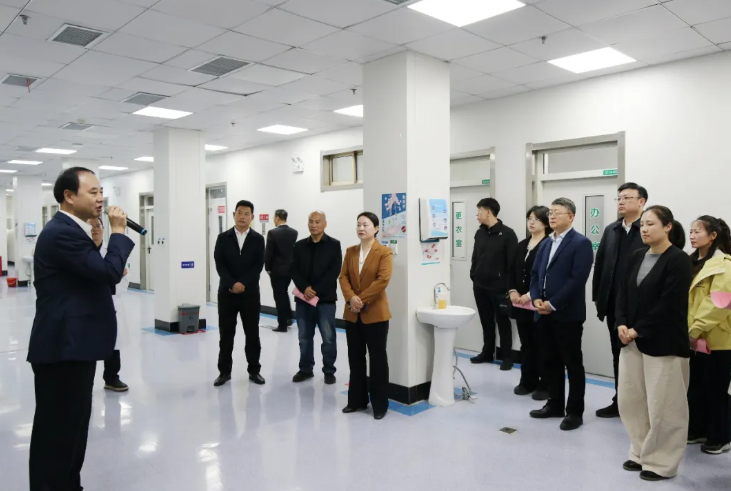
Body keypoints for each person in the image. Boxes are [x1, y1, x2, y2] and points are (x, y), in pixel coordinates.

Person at [28, 167, 133, 491]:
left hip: (75, 346)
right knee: (57, 437)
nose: (101, 198)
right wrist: (118, 233)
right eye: (93, 192)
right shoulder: (62, 232)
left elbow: (87, 278)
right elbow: (108, 274)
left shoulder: (73, 231)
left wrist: (98, 247)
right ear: (69, 196)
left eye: (101, 191)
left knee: (72, 431)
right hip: (63, 349)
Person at [615, 205, 692, 481]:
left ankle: (661, 462)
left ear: (668, 227)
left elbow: (670, 304)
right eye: (643, 224)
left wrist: (638, 329)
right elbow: (623, 293)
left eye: (651, 224)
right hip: (631, 341)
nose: (645, 229)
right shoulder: (637, 255)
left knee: (665, 405)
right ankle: (640, 451)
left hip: (664, 343)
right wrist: (621, 322)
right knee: (631, 400)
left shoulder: (678, 260)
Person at [529, 198, 593, 431]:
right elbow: (535, 274)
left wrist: (553, 304)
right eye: (551, 213)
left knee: (572, 364)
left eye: (557, 212)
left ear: (571, 216)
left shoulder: (581, 243)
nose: (552, 216)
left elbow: (577, 280)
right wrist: (536, 297)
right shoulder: (546, 242)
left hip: (567, 314)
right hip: (542, 313)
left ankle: (574, 412)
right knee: (550, 361)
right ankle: (554, 404)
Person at [593, 183, 648, 418]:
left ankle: (643, 407)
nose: (621, 202)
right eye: (619, 198)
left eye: (627, 198)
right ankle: (620, 402)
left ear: (641, 202)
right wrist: (598, 298)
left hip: (640, 308)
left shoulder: (647, 229)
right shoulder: (612, 230)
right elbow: (600, 263)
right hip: (614, 306)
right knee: (619, 355)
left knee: (642, 359)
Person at [339, 212, 393, 420]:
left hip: (375, 314)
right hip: (352, 315)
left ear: (376, 228)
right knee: (355, 358)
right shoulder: (351, 251)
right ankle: (357, 401)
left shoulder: (384, 252)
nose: (361, 228)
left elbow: (382, 280)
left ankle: (380, 405)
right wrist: (351, 298)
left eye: (366, 225)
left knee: (378, 360)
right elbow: (343, 277)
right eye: (359, 225)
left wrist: (359, 300)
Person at [687, 215, 731, 455]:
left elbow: (720, 303)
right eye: (691, 231)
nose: (692, 235)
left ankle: (721, 436)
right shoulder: (690, 262)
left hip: (717, 338)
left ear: (713, 236)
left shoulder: (724, 264)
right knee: (695, 387)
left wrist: (695, 329)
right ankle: (698, 429)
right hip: (692, 338)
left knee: (716, 389)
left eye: (698, 231)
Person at [213, 200, 266, 387]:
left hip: (250, 294)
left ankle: (254, 371)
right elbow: (220, 264)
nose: (242, 217)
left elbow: (258, 266)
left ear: (252, 217)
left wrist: (243, 284)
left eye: (246, 214)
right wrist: (232, 284)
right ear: (233, 214)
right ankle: (224, 372)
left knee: (252, 334)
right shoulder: (223, 238)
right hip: (227, 294)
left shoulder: (258, 239)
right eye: (239, 213)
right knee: (226, 334)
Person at [290, 211, 342, 384]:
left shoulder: (334, 245)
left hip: (325, 300)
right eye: (311, 221)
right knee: (304, 337)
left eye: (318, 222)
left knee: (328, 338)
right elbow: (294, 269)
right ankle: (305, 369)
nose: (314, 225)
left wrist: (315, 290)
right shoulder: (299, 246)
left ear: (325, 224)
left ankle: (329, 370)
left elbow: (334, 271)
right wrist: (305, 288)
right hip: (303, 300)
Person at [508, 205, 551, 400]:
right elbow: (511, 270)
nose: (532, 222)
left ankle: (545, 383)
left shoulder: (549, 244)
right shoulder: (522, 244)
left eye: (537, 219)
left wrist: (529, 294)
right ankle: (527, 380)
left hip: (539, 303)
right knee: (526, 344)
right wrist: (512, 290)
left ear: (546, 223)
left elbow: (546, 275)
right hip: (519, 303)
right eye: (529, 219)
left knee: (542, 343)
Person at [470, 198, 518, 369]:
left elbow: (512, 263)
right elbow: (475, 257)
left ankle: (507, 356)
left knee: (503, 321)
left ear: (488, 212)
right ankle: (487, 352)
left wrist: (509, 287)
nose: (477, 215)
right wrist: (473, 274)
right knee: (486, 321)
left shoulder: (507, 234)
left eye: (479, 211)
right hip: (480, 285)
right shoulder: (480, 233)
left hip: (499, 287)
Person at [90, 217, 130, 392]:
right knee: (88, 345)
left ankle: (112, 378)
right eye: (91, 226)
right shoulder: (82, 252)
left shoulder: (112, 253)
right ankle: (86, 382)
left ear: (104, 228)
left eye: (98, 226)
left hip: (112, 304)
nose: (95, 229)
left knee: (113, 343)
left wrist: (110, 283)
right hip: (89, 306)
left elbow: (124, 281)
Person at [265, 209, 298, 333]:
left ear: (277, 218)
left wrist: (267, 267)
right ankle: (288, 318)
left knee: (279, 296)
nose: (274, 220)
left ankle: (282, 325)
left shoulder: (272, 233)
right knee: (284, 293)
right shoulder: (294, 232)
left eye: (274, 218)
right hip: (290, 269)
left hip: (277, 270)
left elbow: (269, 252)